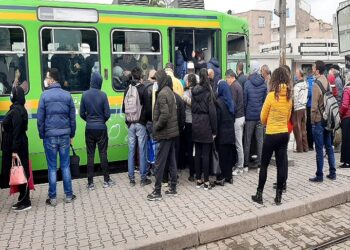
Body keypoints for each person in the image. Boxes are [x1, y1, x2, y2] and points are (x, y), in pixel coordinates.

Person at [251, 67, 292, 205]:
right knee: (281, 165)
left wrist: (269, 122)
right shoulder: (289, 97)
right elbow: (288, 117)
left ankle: (259, 194)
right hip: (283, 134)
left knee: (264, 164)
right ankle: (278, 197)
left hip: (271, 134)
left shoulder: (271, 96)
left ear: (274, 79)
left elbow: (262, 117)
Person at [37, 68, 76, 206]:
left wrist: (43, 135)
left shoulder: (44, 96)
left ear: (52, 79)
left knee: (52, 167)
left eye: (47, 77)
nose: (46, 80)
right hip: (65, 135)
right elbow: (72, 118)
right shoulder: (67, 95)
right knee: (65, 166)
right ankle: (69, 195)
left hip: (50, 137)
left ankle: (53, 198)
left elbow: (40, 119)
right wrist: (72, 134)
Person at [147, 70, 179, 201]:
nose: (155, 82)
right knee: (172, 160)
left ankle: (157, 191)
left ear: (160, 80)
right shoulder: (169, 91)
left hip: (165, 133)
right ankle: (173, 187)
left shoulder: (162, 94)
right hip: (172, 132)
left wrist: (156, 127)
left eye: (156, 80)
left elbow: (164, 115)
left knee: (159, 162)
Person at [80, 72, 114, 190]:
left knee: (90, 155)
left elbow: (81, 114)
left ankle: (90, 183)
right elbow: (107, 114)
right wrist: (101, 121)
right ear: (100, 82)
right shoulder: (103, 95)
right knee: (103, 154)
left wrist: (89, 120)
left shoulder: (84, 95)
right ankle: (106, 180)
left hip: (89, 128)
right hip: (101, 128)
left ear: (91, 81)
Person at [1, 86, 31, 212]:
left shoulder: (17, 111)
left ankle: (26, 201)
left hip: (17, 147)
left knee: (20, 171)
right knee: (19, 170)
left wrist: (14, 151)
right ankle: (22, 198)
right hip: (17, 145)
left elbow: (17, 132)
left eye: (12, 93)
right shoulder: (18, 109)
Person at [122, 67, 152, 187]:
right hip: (140, 124)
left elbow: (123, 109)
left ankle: (131, 179)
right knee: (142, 150)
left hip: (130, 124)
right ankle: (143, 178)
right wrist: (146, 121)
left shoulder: (127, 90)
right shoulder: (143, 89)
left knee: (131, 150)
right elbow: (148, 109)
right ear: (141, 77)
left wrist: (129, 122)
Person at [309, 61, 336, 182]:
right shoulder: (327, 81)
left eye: (313, 67)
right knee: (329, 146)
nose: (312, 69)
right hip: (327, 118)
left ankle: (319, 175)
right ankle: (332, 172)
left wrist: (312, 121)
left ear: (317, 70)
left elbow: (314, 106)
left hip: (319, 120)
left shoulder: (316, 84)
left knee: (319, 149)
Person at [192, 68, 217, 190]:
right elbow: (212, 113)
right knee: (206, 155)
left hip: (196, 124)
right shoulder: (208, 92)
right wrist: (214, 130)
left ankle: (198, 180)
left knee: (197, 154)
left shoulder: (193, 91)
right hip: (206, 125)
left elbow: (192, 109)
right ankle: (206, 182)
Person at [243, 60, 267, 169]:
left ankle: (246, 163)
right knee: (260, 140)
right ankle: (260, 163)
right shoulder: (264, 83)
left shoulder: (247, 83)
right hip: (260, 116)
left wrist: (245, 113)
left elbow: (245, 101)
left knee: (247, 140)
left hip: (249, 116)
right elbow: (265, 101)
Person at [214, 81, 235, 186]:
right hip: (230, 133)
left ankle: (221, 177)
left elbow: (217, 120)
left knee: (222, 156)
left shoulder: (218, 102)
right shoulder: (231, 101)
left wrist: (215, 133)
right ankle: (229, 176)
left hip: (222, 134)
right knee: (229, 155)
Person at [226, 69, 246, 174]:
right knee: (239, 143)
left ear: (230, 77)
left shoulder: (233, 87)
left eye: (227, 78)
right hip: (241, 117)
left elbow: (232, 104)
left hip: (237, 118)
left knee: (238, 144)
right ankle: (238, 164)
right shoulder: (238, 85)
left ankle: (240, 167)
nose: (226, 81)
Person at [183, 74, 197, 181]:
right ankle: (198, 171)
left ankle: (191, 173)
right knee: (197, 148)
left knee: (189, 146)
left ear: (188, 82)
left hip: (188, 122)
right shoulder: (198, 91)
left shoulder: (185, 93)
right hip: (197, 122)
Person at [293, 68, 309, 153]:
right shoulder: (306, 84)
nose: (295, 74)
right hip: (304, 107)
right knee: (303, 128)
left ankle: (299, 148)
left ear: (299, 75)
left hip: (298, 108)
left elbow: (295, 98)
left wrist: (294, 107)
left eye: (296, 73)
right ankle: (305, 147)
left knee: (297, 128)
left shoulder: (297, 86)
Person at [339, 74, 350, 168]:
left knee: (346, 140)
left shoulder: (347, 89)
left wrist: (340, 114)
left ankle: (346, 161)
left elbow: (345, 105)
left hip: (347, 117)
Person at [306, 68, 315, 150]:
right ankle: (313, 144)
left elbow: (309, 93)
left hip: (309, 105)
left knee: (308, 126)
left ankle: (310, 145)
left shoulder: (308, 81)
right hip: (315, 106)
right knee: (313, 125)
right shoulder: (315, 81)